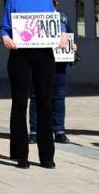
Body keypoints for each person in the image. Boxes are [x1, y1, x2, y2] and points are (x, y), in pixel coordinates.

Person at [1, 0, 69, 169]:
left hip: (44, 55)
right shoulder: (13, 0)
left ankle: (47, 155)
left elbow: (57, 23)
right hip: (20, 55)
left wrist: (62, 36)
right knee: (20, 103)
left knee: (44, 102)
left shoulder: (48, 0)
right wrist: (5, 37)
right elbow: (4, 27)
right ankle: (20, 153)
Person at [30, 12, 75, 145]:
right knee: (35, 96)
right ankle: (34, 132)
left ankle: (59, 131)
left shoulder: (63, 18)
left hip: (59, 64)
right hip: (39, 62)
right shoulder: (34, 17)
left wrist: (72, 46)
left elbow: (70, 35)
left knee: (59, 96)